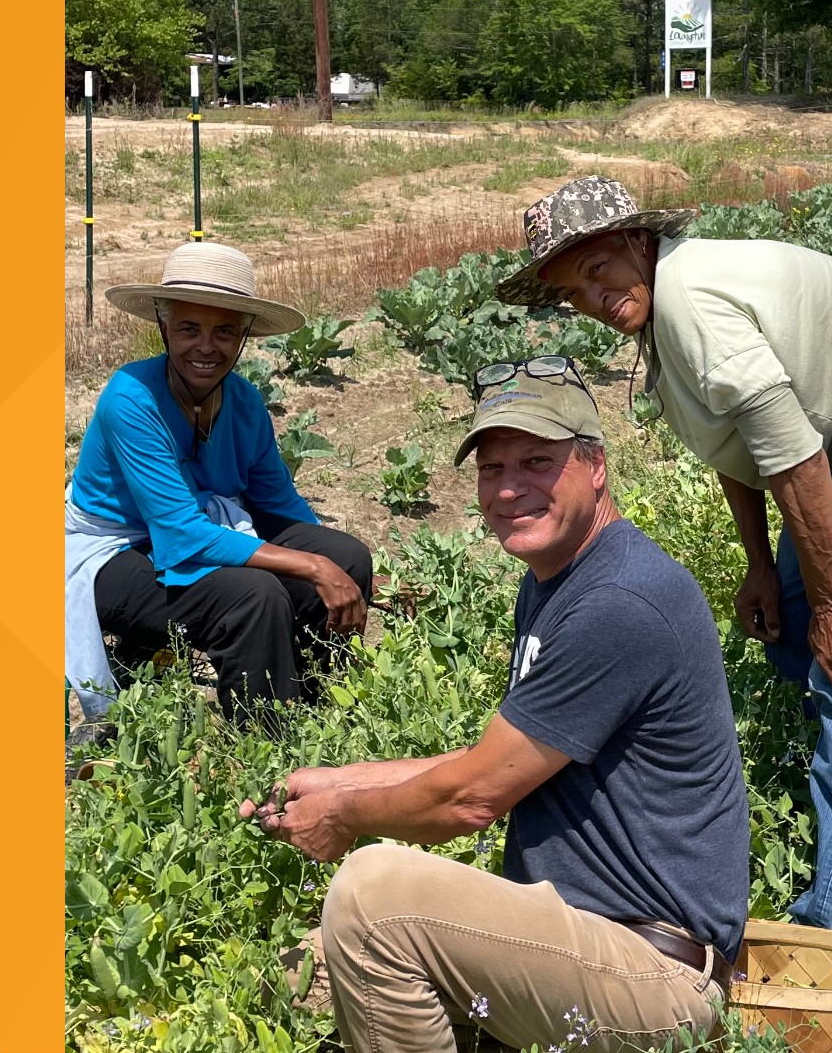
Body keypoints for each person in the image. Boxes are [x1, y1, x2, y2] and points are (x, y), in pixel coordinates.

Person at [240, 357, 749, 1052]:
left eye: (538, 462)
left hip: (655, 977)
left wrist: (343, 817)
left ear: (595, 465)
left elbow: (470, 802)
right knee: (310, 966)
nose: (510, 489)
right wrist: (340, 780)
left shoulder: (618, 603)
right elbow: (501, 763)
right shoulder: (554, 580)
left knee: (371, 896)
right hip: (587, 938)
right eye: (491, 467)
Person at [496, 177, 832, 961]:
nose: (591, 296)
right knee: (793, 623)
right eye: (570, 289)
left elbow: (791, 450)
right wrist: (764, 567)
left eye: (597, 268)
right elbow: (738, 443)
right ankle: (829, 811)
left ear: (634, 241)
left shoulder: (687, 299)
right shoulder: (664, 318)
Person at [64, 242, 372, 720]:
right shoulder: (131, 399)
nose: (207, 346)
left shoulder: (244, 401)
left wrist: (329, 559)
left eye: (224, 332)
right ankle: (262, 741)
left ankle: (316, 701)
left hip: (187, 530)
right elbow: (181, 532)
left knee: (347, 557)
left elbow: (278, 504)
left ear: (244, 335)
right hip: (114, 547)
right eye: (189, 328)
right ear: (164, 328)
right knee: (253, 595)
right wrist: (311, 567)